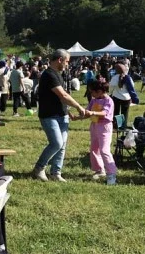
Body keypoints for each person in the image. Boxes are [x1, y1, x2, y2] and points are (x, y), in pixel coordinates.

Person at [33, 51, 87, 182]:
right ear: (60, 60)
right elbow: (63, 95)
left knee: (62, 146)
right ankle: (39, 168)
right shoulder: (49, 75)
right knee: (56, 143)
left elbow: (60, 97)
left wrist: (67, 110)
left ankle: (55, 173)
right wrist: (79, 106)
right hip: (49, 115)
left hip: (62, 114)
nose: (68, 64)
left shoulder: (58, 74)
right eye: (67, 61)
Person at [85, 78, 117, 185]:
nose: (91, 94)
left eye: (92, 92)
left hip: (104, 127)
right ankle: (99, 170)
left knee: (104, 150)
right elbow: (87, 112)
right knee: (94, 149)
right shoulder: (94, 100)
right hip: (94, 126)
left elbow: (104, 113)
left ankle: (111, 173)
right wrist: (77, 117)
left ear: (99, 91)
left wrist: (91, 112)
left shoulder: (108, 101)